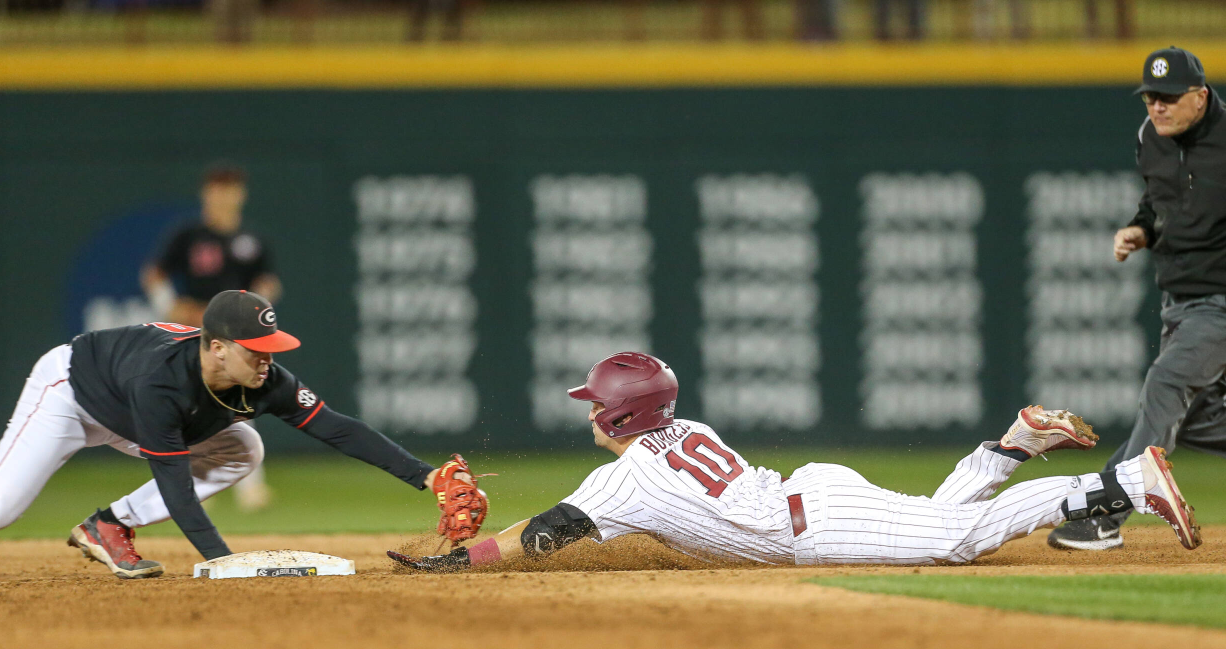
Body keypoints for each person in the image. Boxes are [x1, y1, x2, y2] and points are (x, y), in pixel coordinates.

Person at [389, 352, 1199, 573]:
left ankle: (1127, 480)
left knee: (961, 540)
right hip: (812, 495)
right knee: (942, 520)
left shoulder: (621, 477)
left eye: (594, 401)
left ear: (617, 415)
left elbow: (545, 532)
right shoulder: (682, 425)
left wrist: (462, 560)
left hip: (814, 521)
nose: (589, 412)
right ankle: (1010, 446)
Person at [0, 291, 467, 580]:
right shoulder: (160, 383)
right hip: (73, 395)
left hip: (129, 410)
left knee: (245, 449)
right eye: (254, 348)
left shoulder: (267, 380)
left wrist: (425, 477)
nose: (267, 359)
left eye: (270, 347)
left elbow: (337, 428)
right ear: (216, 348)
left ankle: (108, 526)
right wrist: (222, 560)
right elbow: (173, 481)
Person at [1049, 46, 1226, 551]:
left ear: (1200, 95)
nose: (1158, 107)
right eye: (1151, 97)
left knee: (1165, 383)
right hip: (1180, 299)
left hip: (1221, 302)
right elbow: (1158, 200)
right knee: (1193, 421)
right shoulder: (1152, 137)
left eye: (1169, 98)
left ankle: (1104, 512)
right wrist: (1140, 229)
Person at [141, 161, 282, 511]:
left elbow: (269, 282)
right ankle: (199, 483)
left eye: (230, 188)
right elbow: (154, 273)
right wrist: (169, 306)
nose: (224, 195)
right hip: (198, 328)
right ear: (207, 193)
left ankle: (248, 486)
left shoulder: (251, 240)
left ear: (241, 194)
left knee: (241, 405)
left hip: (237, 331)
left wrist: (256, 309)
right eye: (217, 188)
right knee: (191, 404)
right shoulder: (189, 235)